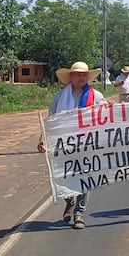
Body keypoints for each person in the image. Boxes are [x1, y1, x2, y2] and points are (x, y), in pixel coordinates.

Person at [37, 61, 109, 229]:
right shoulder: (59, 97)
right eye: (77, 74)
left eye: (83, 74)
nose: (80, 77)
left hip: (88, 144)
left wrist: (111, 109)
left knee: (85, 178)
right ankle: (69, 200)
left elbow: (107, 116)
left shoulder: (96, 96)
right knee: (64, 176)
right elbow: (51, 120)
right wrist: (43, 138)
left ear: (87, 77)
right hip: (64, 144)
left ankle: (79, 213)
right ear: (71, 77)